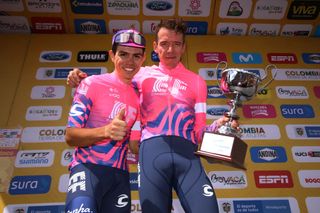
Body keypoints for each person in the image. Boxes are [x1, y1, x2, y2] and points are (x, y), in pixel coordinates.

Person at [67, 19, 239, 213]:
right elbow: (113, 82)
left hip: (188, 157)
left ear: (184, 47)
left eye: (176, 44)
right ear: (155, 47)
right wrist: (81, 77)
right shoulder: (141, 75)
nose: (170, 50)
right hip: (151, 157)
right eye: (164, 44)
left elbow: (199, 132)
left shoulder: (197, 82)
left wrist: (220, 125)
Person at [64, 29, 146, 213]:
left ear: (143, 58)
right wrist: (106, 131)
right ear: (111, 55)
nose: (130, 62)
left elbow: (134, 145)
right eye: (123, 54)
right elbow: (70, 136)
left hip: (120, 177)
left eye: (136, 56)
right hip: (87, 169)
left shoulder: (140, 96)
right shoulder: (91, 83)